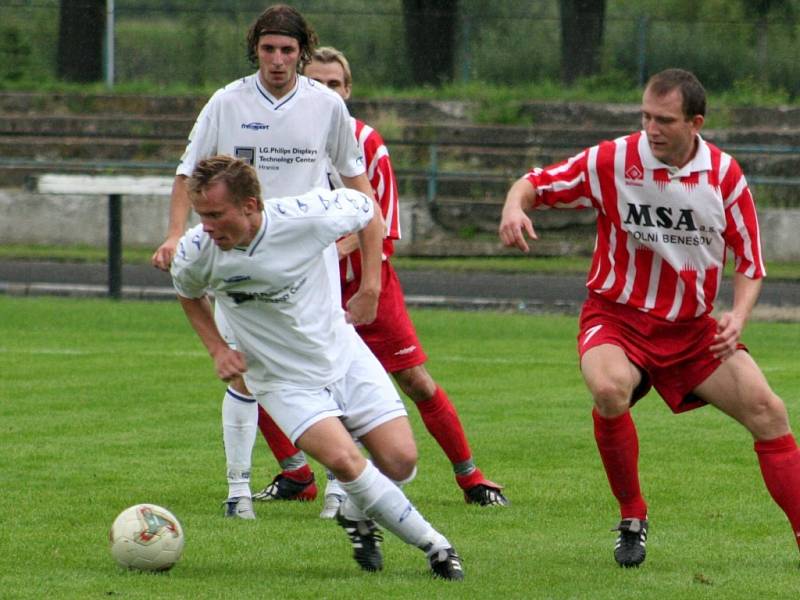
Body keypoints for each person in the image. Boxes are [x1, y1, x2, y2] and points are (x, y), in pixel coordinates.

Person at [498, 68, 800, 568]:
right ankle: (632, 515)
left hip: (692, 331)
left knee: (770, 414)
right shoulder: (613, 159)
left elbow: (750, 262)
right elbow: (534, 183)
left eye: (665, 120)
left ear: (695, 122)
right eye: (645, 117)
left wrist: (738, 317)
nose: (651, 128)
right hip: (617, 318)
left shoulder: (724, 176)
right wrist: (514, 207)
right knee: (610, 388)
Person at [171, 155, 464, 580]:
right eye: (202, 215)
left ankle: (354, 511)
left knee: (401, 461)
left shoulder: (306, 215)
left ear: (251, 206)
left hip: (343, 353)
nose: (208, 226)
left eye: (217, 215)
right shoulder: (197, 251)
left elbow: (368, 210)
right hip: (280, 380)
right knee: (346, 462)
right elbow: (187, 292)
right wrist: (217, 348)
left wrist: (370, 287)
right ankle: (436, 546)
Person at [151, 4, 376, 515]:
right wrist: (172, 234)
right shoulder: (228, 102)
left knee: (328, 370)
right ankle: (237, 493)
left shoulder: (325, 106)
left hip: (309, 261)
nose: (277, 60)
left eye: (288, 50)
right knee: (243, 371)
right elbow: (187, 172)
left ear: (302, 53)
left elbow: (358, 189)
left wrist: (371, 279)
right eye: (269, 49)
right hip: (240, 255)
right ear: (256, 49)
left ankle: (340, 490)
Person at [298, 46, 508, 517]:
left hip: (367, 283)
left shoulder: (367, 144)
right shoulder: (288, 143)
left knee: (414, 379)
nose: (326, 92)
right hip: (306, 289)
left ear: (347, 91)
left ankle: (469, 475)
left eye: (334, 84)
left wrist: (362, 279)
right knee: (283, 378)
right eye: (315, 83)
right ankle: (302, 477)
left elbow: (380, 221)